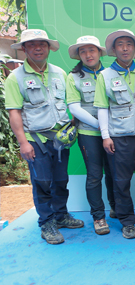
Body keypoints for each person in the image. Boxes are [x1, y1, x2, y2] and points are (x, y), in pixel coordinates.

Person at [5, 29, 84, 244]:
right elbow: (14, 112)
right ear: (24, 49)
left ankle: (61, 215)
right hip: (35, 140)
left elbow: (71, 104)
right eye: (31, 45)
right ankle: (47, 222)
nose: (37, 48)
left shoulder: (59, 73)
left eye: (42, 44)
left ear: (48, 48)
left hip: (60, 139)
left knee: (60, 180)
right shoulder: (15, 78)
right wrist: (23, 143)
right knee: (42, 181)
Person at [94, 29, 135, 239]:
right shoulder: (104, 75)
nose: (125, 48)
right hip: (120, 137)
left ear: (134, 49)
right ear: (114, 50)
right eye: (120, 45)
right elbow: (102, 108)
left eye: (129, 44)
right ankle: (127, 221)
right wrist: (106, 136)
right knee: (121, 182)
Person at [66, 35, 114, 235]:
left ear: (100, 52)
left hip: (114, 133)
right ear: (79, 55)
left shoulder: (112, 73)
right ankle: (98, 217)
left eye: (92, 50)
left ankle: (116, 208)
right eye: (83, 51)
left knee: (114, 173)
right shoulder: (73, 77)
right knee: (95, 176)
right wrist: (101, 127)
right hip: (89, 133)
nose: (88, 54)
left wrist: (108, 131)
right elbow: (74, 108)